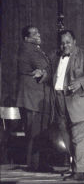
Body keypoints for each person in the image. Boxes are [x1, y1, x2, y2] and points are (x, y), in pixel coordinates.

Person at [50, 30, 84, 181]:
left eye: (68, 42)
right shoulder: (56, 57)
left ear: (75, 42)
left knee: (80, 137)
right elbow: (51, 75)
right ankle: (79, 170)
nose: (65, 45)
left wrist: (80, 82)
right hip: (59, 101)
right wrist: (42, 75)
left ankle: (81, 172)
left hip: (78, 102)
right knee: (68, 138)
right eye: (62, 43)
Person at [16, 26, 52, 172]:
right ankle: (35, 165)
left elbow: (45, 68)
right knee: (35, 131)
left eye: (38, 31)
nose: (38, 34)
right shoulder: (29, 48)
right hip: (33, 97)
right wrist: (47, 69)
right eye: (34, 33)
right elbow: (46, 65)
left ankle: (39, 163)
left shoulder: (34, 48)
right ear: (26, 38)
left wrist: (44, 71)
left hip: (36, 97)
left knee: (39, 131)